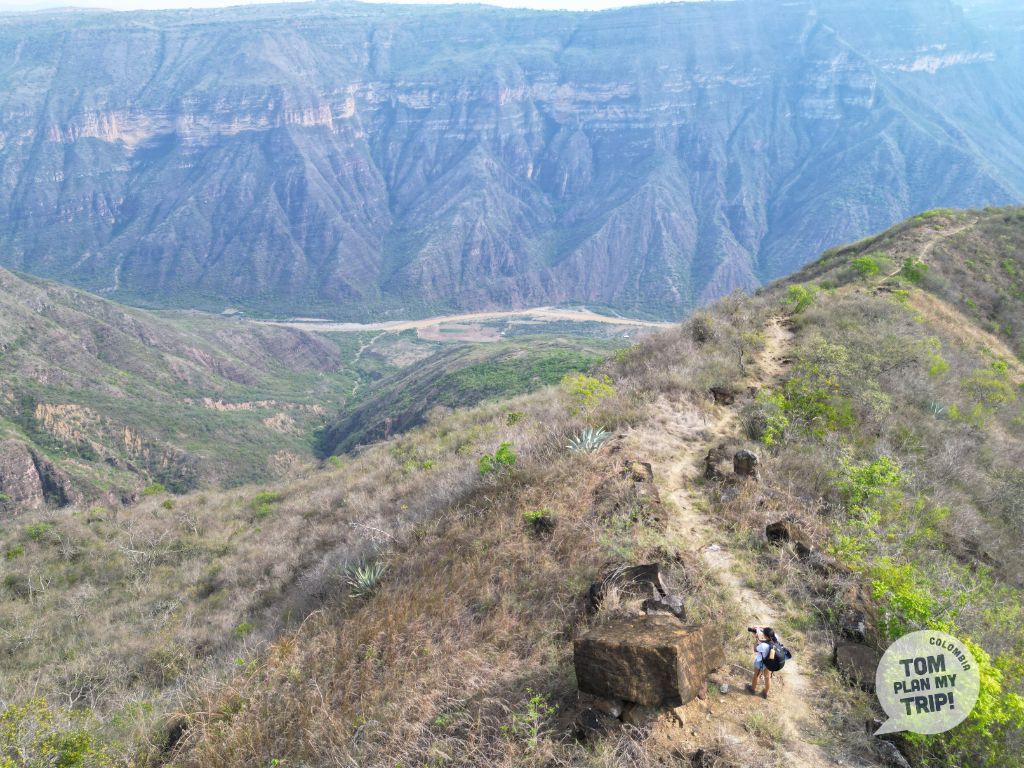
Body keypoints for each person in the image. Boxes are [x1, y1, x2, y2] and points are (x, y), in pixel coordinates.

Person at [747, 626, 782, 699]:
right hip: (770, 662)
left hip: (761, 662)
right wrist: (759, 627)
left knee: (756, 675)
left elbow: (755, 649)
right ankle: (765, 693)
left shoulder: (763, 645)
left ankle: (752, 689)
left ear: (765, 636)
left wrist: (757, 639)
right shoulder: (776, 638)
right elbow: (769, 630)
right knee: (767, 677)